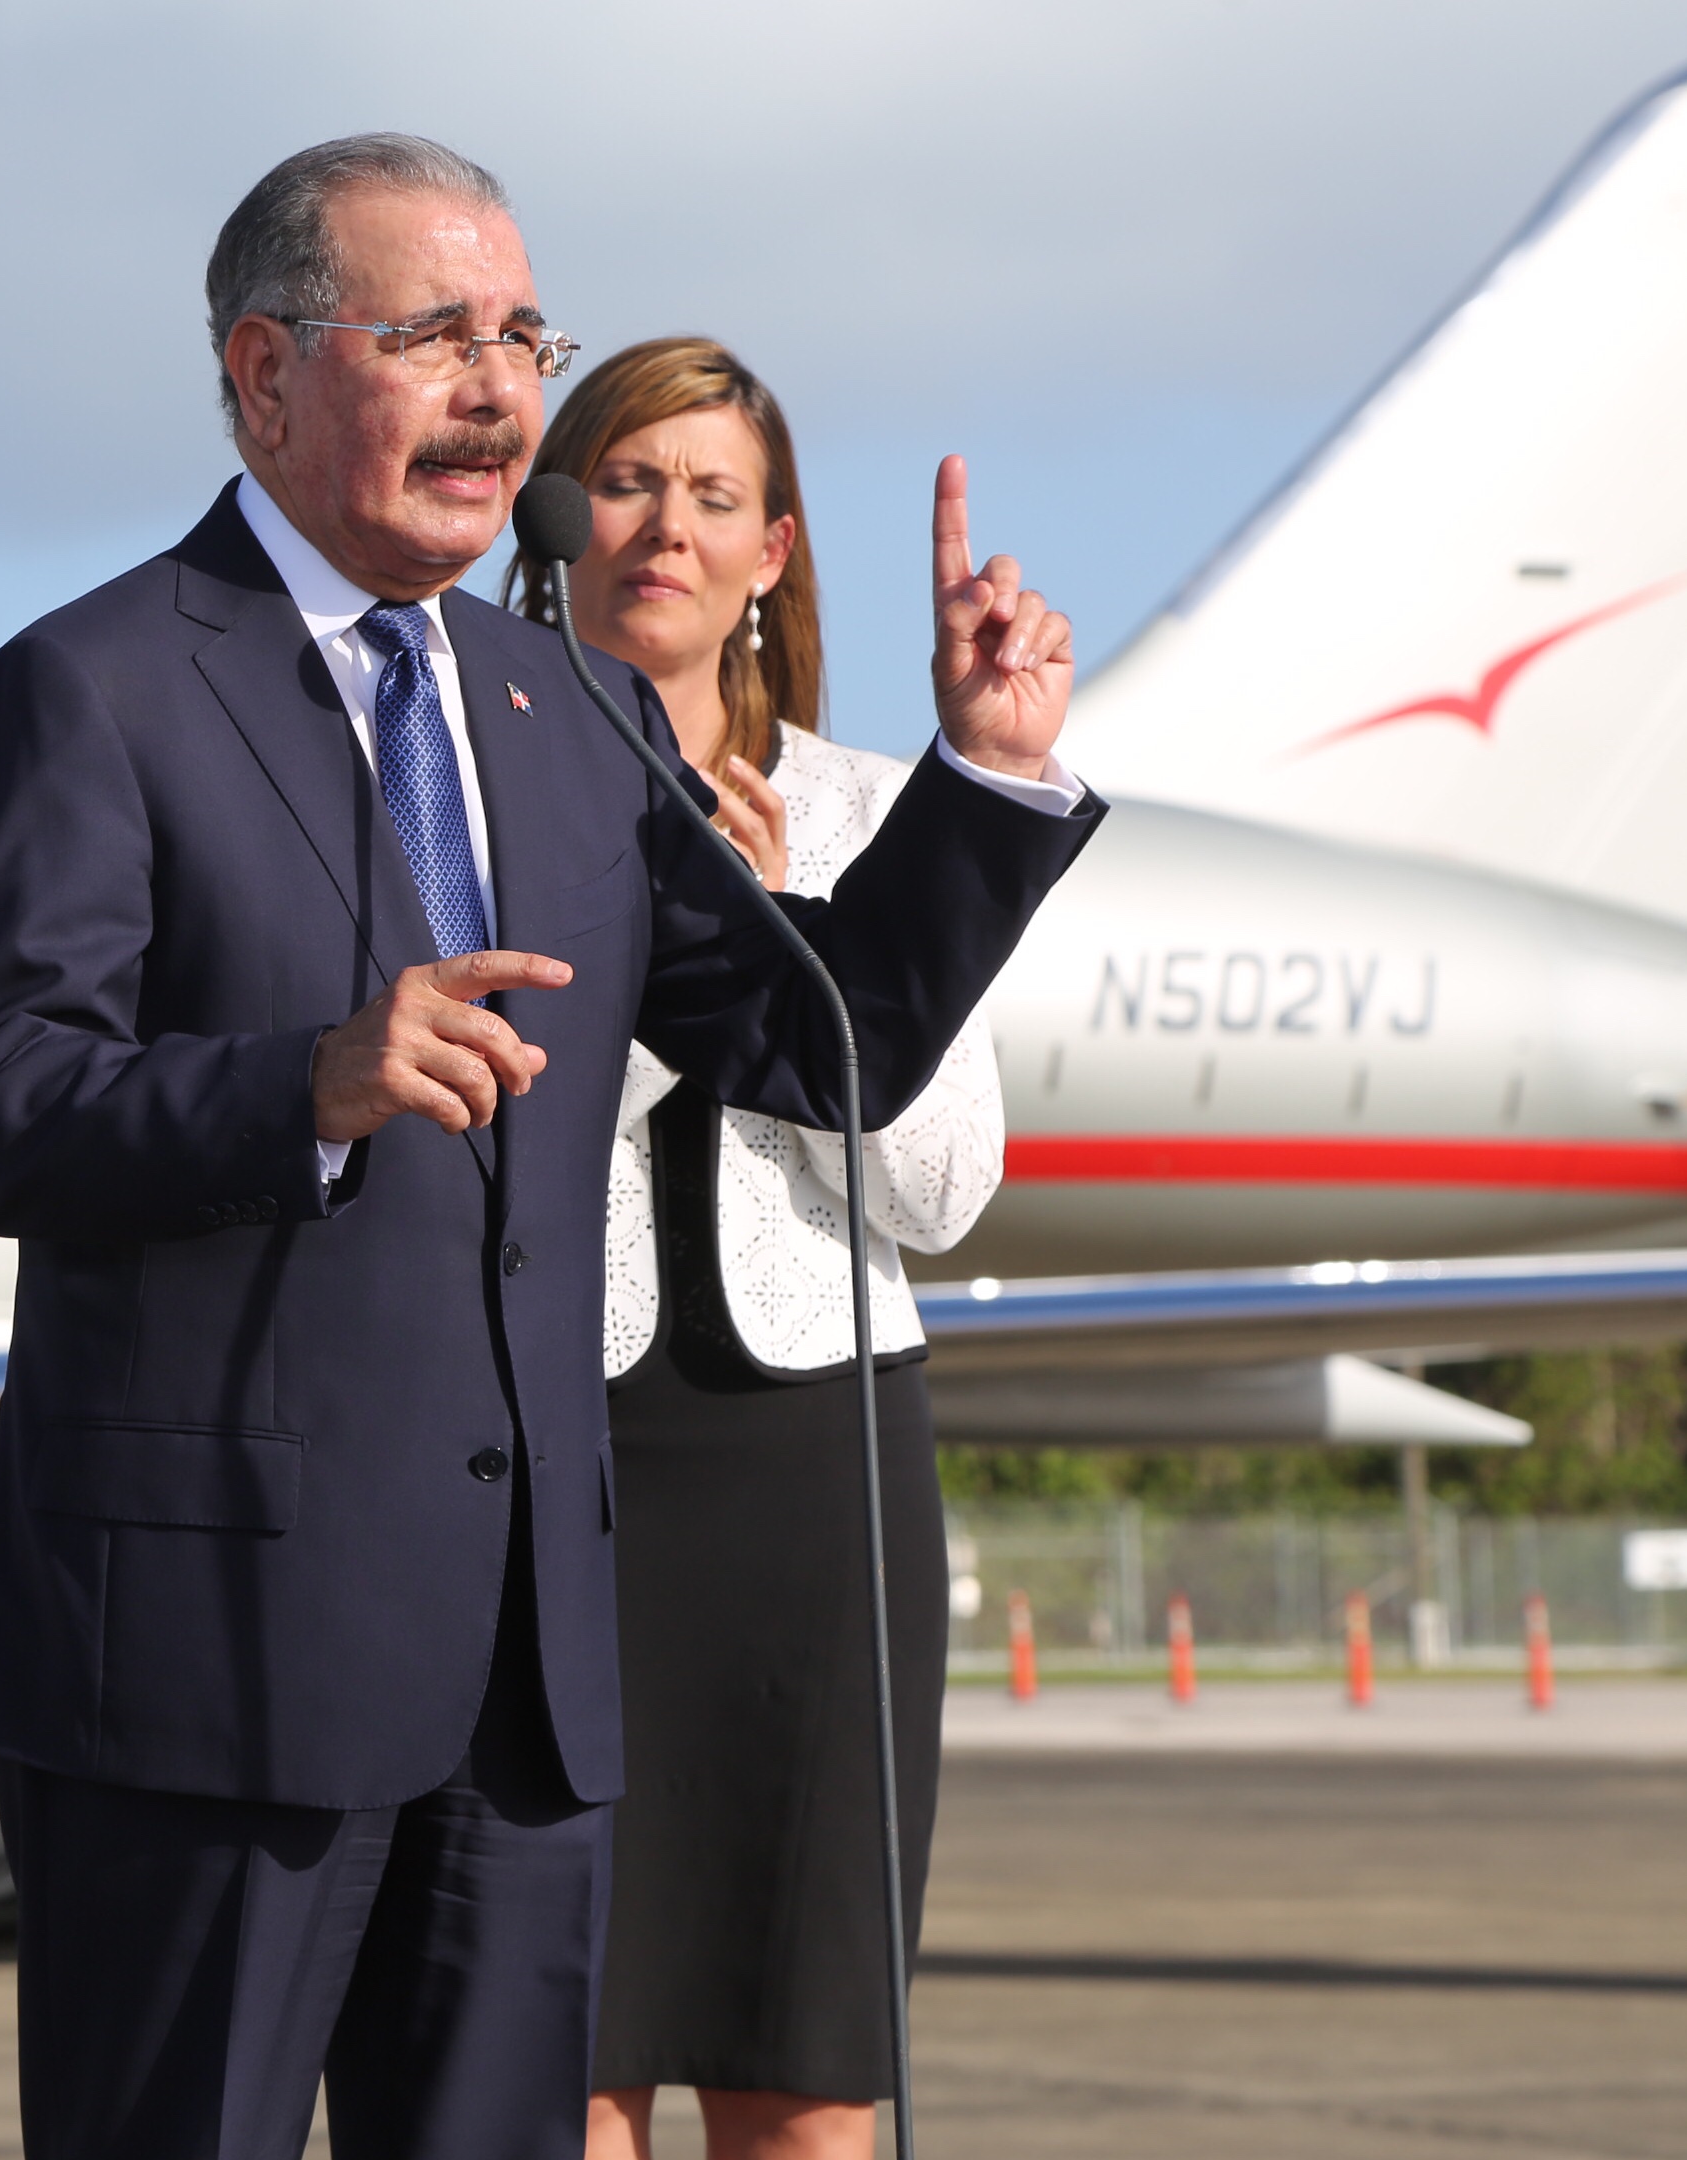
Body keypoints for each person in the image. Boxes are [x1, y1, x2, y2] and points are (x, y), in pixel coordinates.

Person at [0, 136, 1099, 2160]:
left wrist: (987, 781)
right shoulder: (88, 687)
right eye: (434, 336)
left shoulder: (571, 709)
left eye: (521, 339)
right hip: (211, 1664)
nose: (494, 391)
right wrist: (304, 1081)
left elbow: (824, 1040)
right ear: (265, 373)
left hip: (524, 1680)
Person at [527, 341, 1004, 2160]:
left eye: (713, 495)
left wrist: (789, 925)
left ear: (772, 553)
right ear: (556, 519)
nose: (668, 525)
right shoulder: (464, 787)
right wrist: (682, 955)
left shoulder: (883, 809)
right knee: (558, 2058)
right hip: (550, 1456)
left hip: (817, 1472)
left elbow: (944, 1192)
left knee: (804, 2074)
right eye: (627, 481)